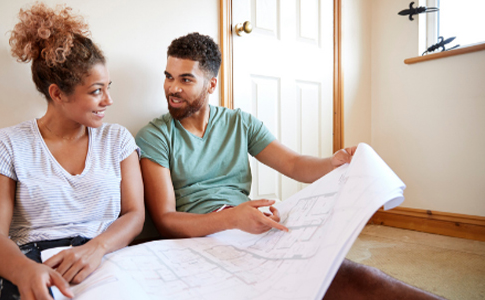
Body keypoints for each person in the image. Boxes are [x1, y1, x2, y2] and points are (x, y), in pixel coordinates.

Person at [135, 32, 445, 300]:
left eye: (185, 79)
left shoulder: (239, 123)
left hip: (250, 224)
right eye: (168, 76)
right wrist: (231, 219)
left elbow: (295, 164)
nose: (172, 88)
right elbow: (166, 221)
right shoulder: (155, 136)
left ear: (211, 84)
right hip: (208, 237)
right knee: (337, 281)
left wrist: (332, 163)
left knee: (353, 273)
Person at [0, 3, 144, 300]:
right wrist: (24, 271)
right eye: (96, 91)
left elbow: (135, 214)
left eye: (108, 87)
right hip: (29, 261)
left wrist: (98, 247)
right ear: (57, 93)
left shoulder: (117, 140)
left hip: (104, 256)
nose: (109, 100)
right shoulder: (6, 144)